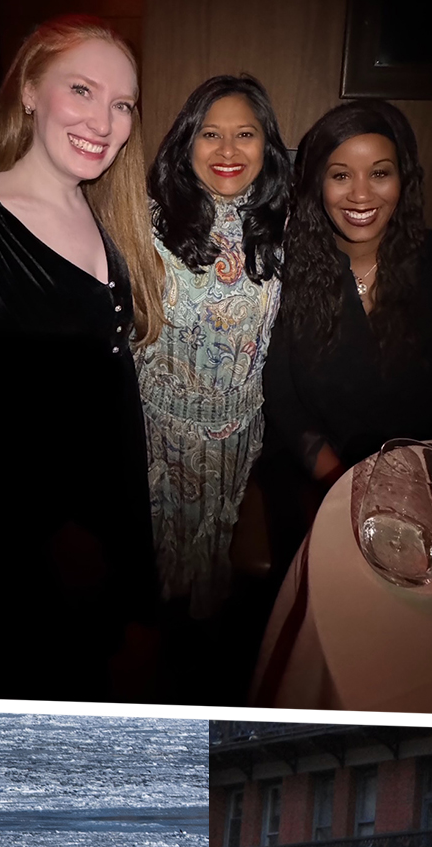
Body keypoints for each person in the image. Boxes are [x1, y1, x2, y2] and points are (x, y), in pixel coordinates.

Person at [0, 14, 164, 702]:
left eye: (121, 104)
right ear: (28, 91)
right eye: (81, 91)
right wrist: (65, 547)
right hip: (43, 543)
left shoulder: (103, 212)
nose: (104, 122)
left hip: (109, 507)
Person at [261, 100, 432, 533]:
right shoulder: (285, 273)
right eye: (340, 175)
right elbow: (284, 403)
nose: (361, 194)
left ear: (403, 179)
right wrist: (340, 483)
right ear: (317, 185)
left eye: (379, 173)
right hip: (323, 483)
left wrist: (428, 490)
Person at [136, 75, 291, 623]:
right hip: (158, 430)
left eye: (245, 134)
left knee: (218, 546)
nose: (227, 151)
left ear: (266, 146)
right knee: (156, 549)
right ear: (187, 143)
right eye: (210, 135)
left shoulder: (283, 226)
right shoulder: (145, 222)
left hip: (240, 430)